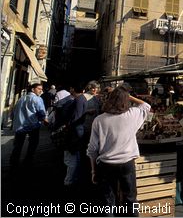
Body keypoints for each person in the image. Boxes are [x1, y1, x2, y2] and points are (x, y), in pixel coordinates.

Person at [87, 85, 151, 216]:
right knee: (130, 199)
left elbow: (92, 149)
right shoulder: (132, 114)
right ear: (126, 101)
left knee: (107, 201)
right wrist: (127, 95)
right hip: (126, 163)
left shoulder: (99, 120)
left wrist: (93, 170)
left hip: (105, 164)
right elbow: (146, 105)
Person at [10, 83, 48, 166]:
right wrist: (45, 120)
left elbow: (13, 112)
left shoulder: (21, 99)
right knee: (33, 144)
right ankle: (28, 160)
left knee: (18, 146)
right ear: (32, 89)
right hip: (32, 125)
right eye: (39, 88)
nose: (41, 90)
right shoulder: (37, 99)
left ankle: (13, 162)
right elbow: (41, 113)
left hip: (20, 126)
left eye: (41, 89)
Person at [63, 84, 88, 186]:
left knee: (72, 156)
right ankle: (73, 178)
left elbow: (76, 117)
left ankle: (69, 180)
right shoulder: (82, 99)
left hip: (75, 132)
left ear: (73, 89)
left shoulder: (78, 100)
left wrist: (68, 126)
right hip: (78, 130)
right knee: (75, 156)